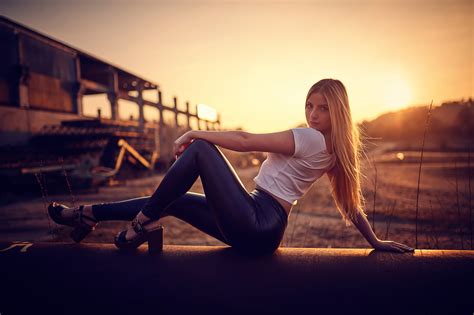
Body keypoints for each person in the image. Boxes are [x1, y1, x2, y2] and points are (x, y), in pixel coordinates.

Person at [48, 78, 414, 256]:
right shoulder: (333, 149)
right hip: (259, 224)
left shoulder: (310, 138)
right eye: (310, 106)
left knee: (203, 149)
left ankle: (140, 224)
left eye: (322, 108)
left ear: (338, 111)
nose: (313, 114)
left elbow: (244, 142)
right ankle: (87, 214)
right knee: (173, 198)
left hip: (259, 219)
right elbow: (352, 206)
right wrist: (375, 241)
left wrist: (193, 131)